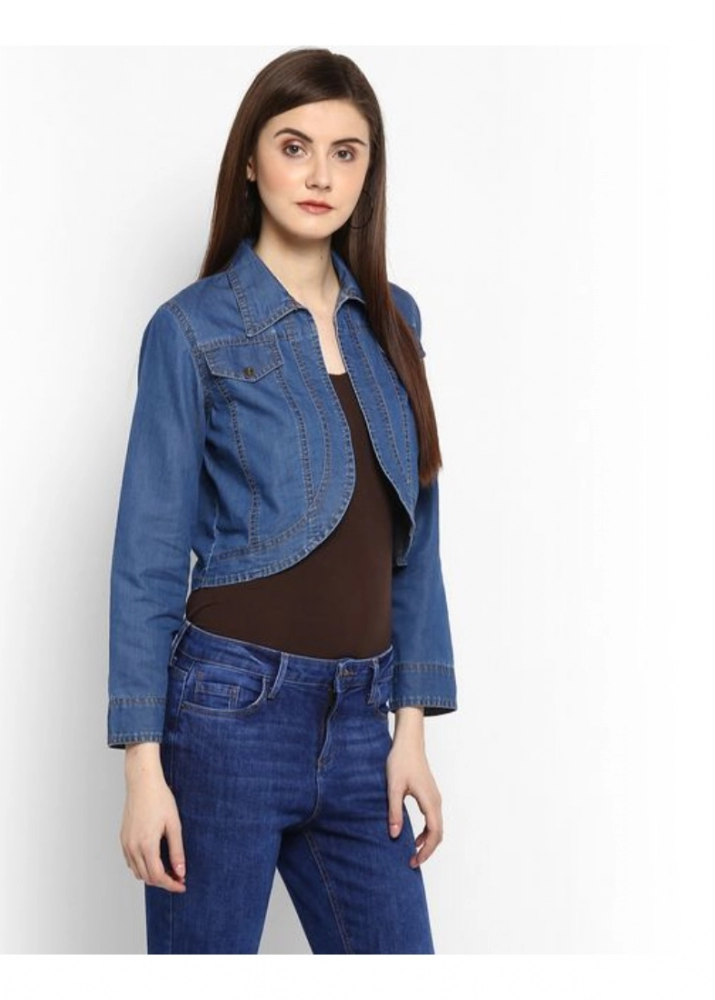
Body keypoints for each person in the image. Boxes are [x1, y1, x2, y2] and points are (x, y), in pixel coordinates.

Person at [107, 47, 457, 954]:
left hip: (362, 726)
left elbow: (414, 540)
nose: (320, 175)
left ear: (369, 172)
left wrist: (410, 731)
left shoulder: (397, 321)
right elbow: (147, 556)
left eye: (346, 152)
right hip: (228, 717)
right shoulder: (191, 329)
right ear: (251, 164)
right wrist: (143, 768)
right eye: (295, 146)